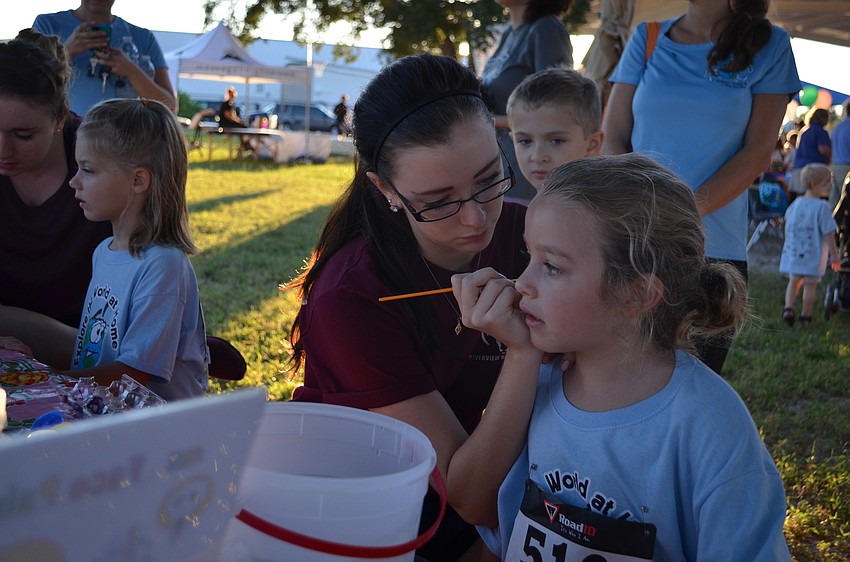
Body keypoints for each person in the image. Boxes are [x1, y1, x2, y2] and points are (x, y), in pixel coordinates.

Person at [452, 154, 791, 561]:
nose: (521, 283)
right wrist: (522, 355)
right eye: (529, 257)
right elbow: (473, 505)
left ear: (636, 294)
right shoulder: (537, 382)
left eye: (552, 267)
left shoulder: (710, 428)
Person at [287, 53, 531, 562]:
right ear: (385, 189)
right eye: (439, 200)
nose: (475, 218)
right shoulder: (351, 298)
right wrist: (523, 353)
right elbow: (470, 500)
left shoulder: (533, 237)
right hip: (374, 507)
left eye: (489, 178)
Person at [602, 0, 800, 374]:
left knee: (692, 390)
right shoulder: (648, 36)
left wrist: (675, 215)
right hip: (633, 242)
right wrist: (634, 209)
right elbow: (613, 137)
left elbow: (758, 153)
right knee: (621, 379)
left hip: (713, 251)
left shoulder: (770, 44)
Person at [4, 98, 208, 402]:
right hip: (104, 411)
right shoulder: (104, 251)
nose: (74, 182)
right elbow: (95, 352)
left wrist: (49, 382)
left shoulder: (163, 265)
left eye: (88, 170)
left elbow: (133, 373)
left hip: (158, 432)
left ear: (138, 179)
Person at [0, 29, 111, 328]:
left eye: (23, 135)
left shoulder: (107, 157)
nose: (3, 150)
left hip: (93, 337)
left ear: (60, 117)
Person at [481, 0, 574, 203]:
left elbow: (556, 109)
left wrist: (488, 121)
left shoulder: (546, 28)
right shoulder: (509, 34)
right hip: (501, 164)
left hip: (529, 169)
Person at [33, 0, 177, 115]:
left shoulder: (143, 38)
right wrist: (66, 53)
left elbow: (170, 107)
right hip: (64, 142)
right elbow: (27, 88)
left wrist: (131, 70)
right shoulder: (47, 26)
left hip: (124, 142)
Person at [505, 67, 602, 192]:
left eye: (556, 141)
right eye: (525, 141)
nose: (538, 157)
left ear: (592, 145)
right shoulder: (536, 208)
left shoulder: (597, 209)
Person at [780, 163, 840, 326]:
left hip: (795, 253)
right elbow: (829, 233)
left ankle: (788, 309)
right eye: (827, 182)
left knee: (794, 282)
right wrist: (834, 256)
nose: (831, 185)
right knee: (810, 286)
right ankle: (805, 316)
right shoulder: (822, 207)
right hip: (814, 255)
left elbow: (787, 224)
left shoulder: (795, 204)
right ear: (814, 184)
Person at [790, 107, 832, 200]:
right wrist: (832, 154)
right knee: (817, 200)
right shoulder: (820, 131)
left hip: (799, 168)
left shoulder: (804, 131)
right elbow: (823, 149)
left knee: (802, 199)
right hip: (814, 170)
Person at [830, 98, 850, 209]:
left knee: (835, 199)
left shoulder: (838, 127)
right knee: (845, 199)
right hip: (847, 168)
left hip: (836, 166)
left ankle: (829, 224)